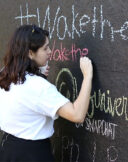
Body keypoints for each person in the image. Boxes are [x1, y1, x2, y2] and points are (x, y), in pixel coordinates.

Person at [0, 24, 93, 162]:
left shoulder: (5, 74)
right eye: (45, 48)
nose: (50, 51)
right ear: (30, 53)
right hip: (32, 154)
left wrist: (37, 74)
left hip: (8, 149)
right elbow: (77, 114)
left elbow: (24, 97)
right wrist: (87, 76)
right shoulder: (39, 87)